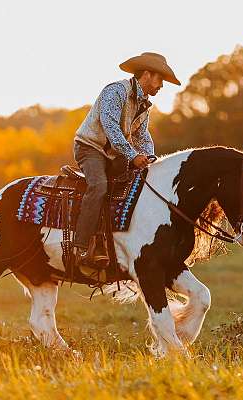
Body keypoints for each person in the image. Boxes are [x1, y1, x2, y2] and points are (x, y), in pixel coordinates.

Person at [72, 52, 181, 270]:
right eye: (160, 79)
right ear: (148, 75)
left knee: (134, 186)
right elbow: (111, 128)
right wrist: (133, 156)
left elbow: (142, 136)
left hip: (113, 154)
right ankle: (81, 246)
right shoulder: (115, 91)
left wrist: (150, 158)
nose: (161, 86)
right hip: (90, 149)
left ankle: (116, 242)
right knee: (99, 186)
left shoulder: (144, 105)